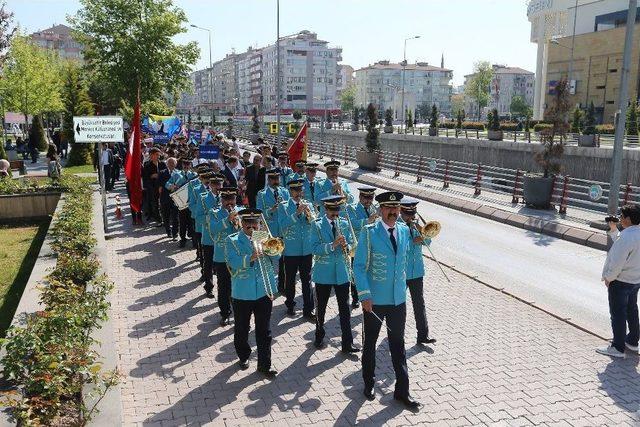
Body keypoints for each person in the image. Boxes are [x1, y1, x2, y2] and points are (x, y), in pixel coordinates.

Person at [354, 191, 421, 410]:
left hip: (397, 300)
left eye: (396, 208)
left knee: (398, 345)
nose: (393, 212)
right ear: (380, 209)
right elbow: (359, 266)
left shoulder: (403, 230)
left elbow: (420, 245)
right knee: (370, 343)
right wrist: (364, 295)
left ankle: (402, 392)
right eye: (389, 208)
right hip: (374, 300)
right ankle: (369, 382)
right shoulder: (369, 232)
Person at [225, 208, 279, 378]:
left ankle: (265, 364)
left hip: (263, 290)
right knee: (242, 328)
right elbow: (231, 261)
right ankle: (243, 355)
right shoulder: (232, 240)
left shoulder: (262, 236)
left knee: (264, 330)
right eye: (247, 222)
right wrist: (250, 258)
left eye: (254, 222)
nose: (251, 226)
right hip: (243, 292)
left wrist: (270, 246)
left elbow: (277, 257)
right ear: (242, 223)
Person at [310, 195, 360, 353]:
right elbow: (315, 248)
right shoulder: (316, 225)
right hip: (323, 272)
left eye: (337, 210)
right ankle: (319, 334)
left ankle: (347, 343)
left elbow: (353, 245)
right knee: (321, 308)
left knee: (344, 308)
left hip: (341, 272)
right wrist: (332, 245)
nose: (335, 214)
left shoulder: (344, 224)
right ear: (326, 209)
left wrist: (348, 245)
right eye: (332, 210)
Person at [597, 205, 640, 358]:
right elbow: (625, 244)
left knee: (618, 314)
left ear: (628, 219)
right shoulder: (634, 234)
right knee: (632, 310)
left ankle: (617, 347)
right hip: (635, 281)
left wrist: (609, 278)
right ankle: (633, 342)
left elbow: (617, 262)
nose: (620, 218)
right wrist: (614, 229)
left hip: (620, 281)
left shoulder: (627, 237)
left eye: (621, 216)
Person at [399, 197, 437, 345]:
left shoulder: (416, 226)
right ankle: (397, 334)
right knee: (399, 305)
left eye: (413, 214)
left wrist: (423, 233)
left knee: (419, 303)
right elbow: (397, 246)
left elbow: (428, 242)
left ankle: (423, 335)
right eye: (408, 214)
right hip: (401, 272)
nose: (411, 217)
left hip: (417, 272)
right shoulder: (396, 226)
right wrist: (412, 241)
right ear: (401, 212)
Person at [277, 179, 314, 320]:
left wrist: (310, 215)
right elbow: (282, 225)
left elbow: (314, 222)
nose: (298, 193)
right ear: (290, 192)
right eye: (295, 190)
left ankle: (308, 309)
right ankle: (290, 305)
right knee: (290, 279)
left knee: (307, 280)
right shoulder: (284, 206)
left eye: (300, 190)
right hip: (291, 250)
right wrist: (296, 214)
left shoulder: (308, 204)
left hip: (306, 250)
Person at [210, 186, 241, 326]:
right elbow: (213, 229)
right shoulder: (214, 212)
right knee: (223, 287)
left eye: (232, 199)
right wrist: (227, 220)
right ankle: (225, 313)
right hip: (222, 256)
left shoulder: (241, 211)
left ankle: (239, 312)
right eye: (226, 199)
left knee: (238, 285)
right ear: (221, 199)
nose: (229, 202)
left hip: (239, 255)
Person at [257, 169, 290, 294]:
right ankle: (268, 285)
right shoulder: (262, 194)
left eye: (278, 179)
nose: (276, 181)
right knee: (269, 260)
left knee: (283, 261)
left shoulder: (285, 192)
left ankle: (282, 285)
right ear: (269, 180)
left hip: (283, 230)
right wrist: (271, 209)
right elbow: (259, 213)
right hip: (270, 231)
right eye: (274, 179)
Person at [346, 186, 379, 308]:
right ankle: (355, 297)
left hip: (373, 245)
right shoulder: (352, 208)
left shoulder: (373, 209)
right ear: (360, 197)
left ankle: (371, 295)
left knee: (371, 272)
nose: (368, 201)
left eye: (371, 198)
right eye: (366, 198)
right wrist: (367, 220)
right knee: (356, 273)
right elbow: (352, 223)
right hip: (358, 246)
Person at [200, 173, 223, 298]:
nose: (217, 187)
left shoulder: (225, 197)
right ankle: (208, 287)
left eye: (219, 184)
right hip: (209, 236)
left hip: (223, 237)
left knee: (221, 265)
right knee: (208, 263)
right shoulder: (203, 198)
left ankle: (223, 290)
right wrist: (211, 218)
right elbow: (198, 217)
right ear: (210, 185)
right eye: (214, 184)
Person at [158, 157, 179, 239]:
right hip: (165, 198)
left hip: (175, 199)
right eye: (169, 163)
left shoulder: (178, 173)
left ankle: (175, 233)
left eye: (173, 163)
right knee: (166, 216)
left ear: (175, 164)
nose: (171, 164)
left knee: (175, 217)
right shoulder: (162, 173)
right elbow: (159, 185)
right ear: (167, 164)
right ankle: (168, 231)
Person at [142, 147, 164, 222]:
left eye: (159, 155)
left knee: (162, 203)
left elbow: (166, 175)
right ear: (151, 155)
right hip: (152, 187)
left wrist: (159, 175)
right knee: (154, 203)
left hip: (162, 187)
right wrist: (151, 176)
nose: (158, 156)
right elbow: (145, 177)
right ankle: (158, 219)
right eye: (156, 154)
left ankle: (163, 217)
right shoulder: (147, 165)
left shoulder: (162, 164)